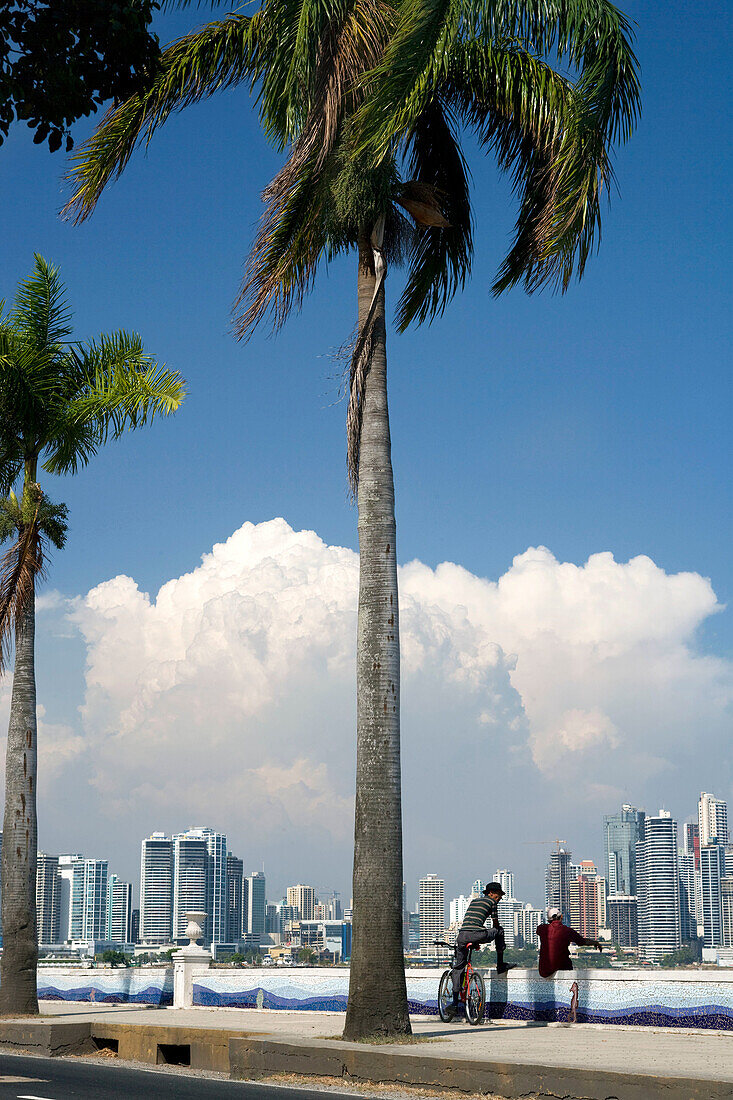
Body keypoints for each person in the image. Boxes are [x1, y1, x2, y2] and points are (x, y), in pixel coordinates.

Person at [450, 882, 515, 1012]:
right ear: (490, 893)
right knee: (500, 930)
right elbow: (495, 923)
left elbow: (471, 920)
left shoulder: (474, 901)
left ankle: (454, 1004)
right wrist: (488, 933)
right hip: (477, 934)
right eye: (498, 895)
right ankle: (500, 964)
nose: (500, 898)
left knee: (458, 967)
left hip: (462, 936)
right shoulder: (492, 903)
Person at [536, 908, 602, 978]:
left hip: (543, 970)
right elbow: (581, 941)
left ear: (549, 920)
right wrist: (595, 943)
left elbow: (538, 929)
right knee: (566, 960)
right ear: (561, 917)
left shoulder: (542, 929)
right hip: (561, 966)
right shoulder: (566, 931)